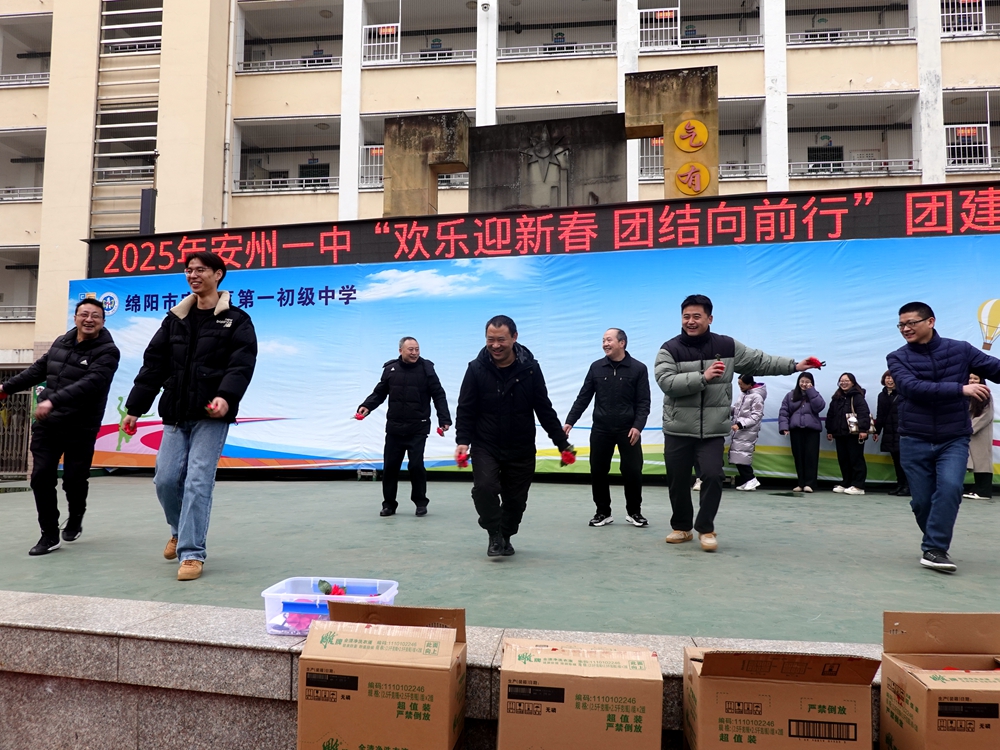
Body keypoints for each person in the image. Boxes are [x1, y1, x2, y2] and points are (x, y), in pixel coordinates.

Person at [124, 251, 257, 581]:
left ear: (218, 274)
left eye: (200, 270)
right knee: (166, 481)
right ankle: (178, 530)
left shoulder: (236, 320)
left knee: (198, 480)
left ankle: (192, 553)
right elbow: (153, 366)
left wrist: (225, 397)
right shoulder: (174, 320)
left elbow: (241, 365)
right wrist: (135, 409)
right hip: (175, 412)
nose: (193, 275)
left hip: (211, 416)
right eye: (188, 270)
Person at [654, 294, 820, 552]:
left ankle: (706, 529)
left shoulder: (726, 346)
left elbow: (760, 361)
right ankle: (682, 528)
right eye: (686, 316)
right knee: (678, 480)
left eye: (697, 316)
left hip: (712, 430)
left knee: (713, 475)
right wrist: (703, 377)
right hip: (678, 429)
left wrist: (794, 365)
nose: (690, 321)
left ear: (710, 318)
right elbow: (666, 382)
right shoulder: (669, 349)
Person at [887, 301, 1000, 573]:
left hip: (954, 438)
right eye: (901, 325)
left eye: (911, 323)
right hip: (914, 438)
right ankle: (934, 542)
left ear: (931, 321)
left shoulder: (960, 350)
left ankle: (935, 549)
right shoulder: (897, 357)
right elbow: (912, 388)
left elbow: (995, 369)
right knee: (922, 502)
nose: (905, 329)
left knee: (950, 488)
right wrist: (961, 390)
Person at [0, 299, 120, 556]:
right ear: (75, 318)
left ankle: (76, 515)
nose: (89, 319)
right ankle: (49, 534)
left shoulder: (108, 352)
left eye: (95, 316)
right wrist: (6, 388)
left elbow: (91, 383)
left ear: (103, 321)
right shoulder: (60, 343)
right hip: (48, 425)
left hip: (81, 427)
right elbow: (37, 370)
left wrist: (53, 400)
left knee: (74, 480)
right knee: (40, 477)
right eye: (84, 314)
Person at [455, 315, 571, 557]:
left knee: (515, 501)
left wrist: (562, 444)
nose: (495, 345)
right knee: (485, 488)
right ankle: (493, 533)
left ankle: (505, 535)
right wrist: (462, 441)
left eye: (501, 340)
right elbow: (466, 408)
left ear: (515, 337)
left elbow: (544, 408)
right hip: (486, 443)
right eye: (490, 340)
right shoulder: (476, 369)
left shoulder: (530, 369)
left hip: (521, 446)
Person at [564, 328, 651, 527]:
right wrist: (570, 421)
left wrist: (638, 426)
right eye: (603, 340)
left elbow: (643, 402)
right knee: (598, 470)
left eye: (609, 340)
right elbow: (584, 397)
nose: (605, 344)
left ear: (622, 343)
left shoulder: (638, 368)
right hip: (601, 429)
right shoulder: (596, 367)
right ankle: (602, 512)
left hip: (628, 430)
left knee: (632, 470)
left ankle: (634, 512)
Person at [358, 337, 451, 517]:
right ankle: (389, 505)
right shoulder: (391, 369)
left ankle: (420, 502)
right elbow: (379, 393)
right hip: (395, 428)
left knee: (416, 466)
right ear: (401, 351)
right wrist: (366, 406)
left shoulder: (427, 369)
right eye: (411, 349)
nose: (415, 353)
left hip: (418, 427)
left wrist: (444, 419)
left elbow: (438, 395)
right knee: (390, 467)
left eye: (417, 349)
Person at [778, 372, 825, 493]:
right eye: (802, 381)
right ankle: (801, 483)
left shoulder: (815, 394)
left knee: (811, 457)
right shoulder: (790, 395)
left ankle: (810, 484)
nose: (804, 384)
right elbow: (784, 412)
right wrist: (784, 427)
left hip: (812, 431)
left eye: (807, 382)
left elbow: (819, 407)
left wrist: (811, 391)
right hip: (796, 430)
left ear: (812, 383)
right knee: (798, 457)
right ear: (798, 382)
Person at [825, 373, 871, 496]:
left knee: (856, 459)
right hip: (840, 434)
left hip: (854, 434)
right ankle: (847, 482)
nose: (843, 383)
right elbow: (831, 415)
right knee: (843, 460)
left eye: (847, 380)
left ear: (853, 382)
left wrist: (863, 430)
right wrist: (830, 430)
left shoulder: (857, 397)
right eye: (841, 380)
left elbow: (864, 413)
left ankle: (858, 485)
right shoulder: (836, 398)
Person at [728, 374, 767, 491]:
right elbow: (737, 410)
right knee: (738, 456)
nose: (740, 386)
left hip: (747, 431)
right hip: (739, 430)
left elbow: (756, 416)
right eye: (739, 384)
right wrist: (726, 409)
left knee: (742, 456)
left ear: (750, 384)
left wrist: (740, 424)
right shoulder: (743, 394)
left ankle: (751, 479)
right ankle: (748, 481)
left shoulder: (757, 397)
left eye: (742, 384)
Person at [874, 370, 907, 496]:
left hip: (902, 432)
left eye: (892, 378)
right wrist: (877, 431)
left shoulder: (904, 394)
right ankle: (900, 485)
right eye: (887, 378)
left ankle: (907, 486)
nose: (889, 380)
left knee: (905, 461)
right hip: (889, 432)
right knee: (896, 461)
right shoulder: (881, 395)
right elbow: (880, 415)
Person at [963, 373, 994, 500]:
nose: (972, 381)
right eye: (970, 378)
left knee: (982, 462)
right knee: (974, 462)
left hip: (980, 432)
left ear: (981, 380)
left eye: (975, 378)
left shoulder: (986, 395)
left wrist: (969, 428)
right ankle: (978, 489)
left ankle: (984, 491)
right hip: (967, 432)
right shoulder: (964, 394)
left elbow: (986, 416)